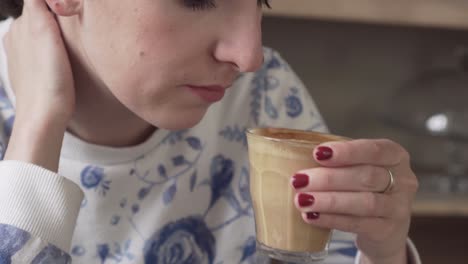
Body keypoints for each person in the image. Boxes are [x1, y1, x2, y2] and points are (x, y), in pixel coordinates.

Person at [0, 0, 421, 263]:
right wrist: (38, 125)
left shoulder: (262, 93)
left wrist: (383, 254)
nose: (248, 55)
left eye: (262, 1)